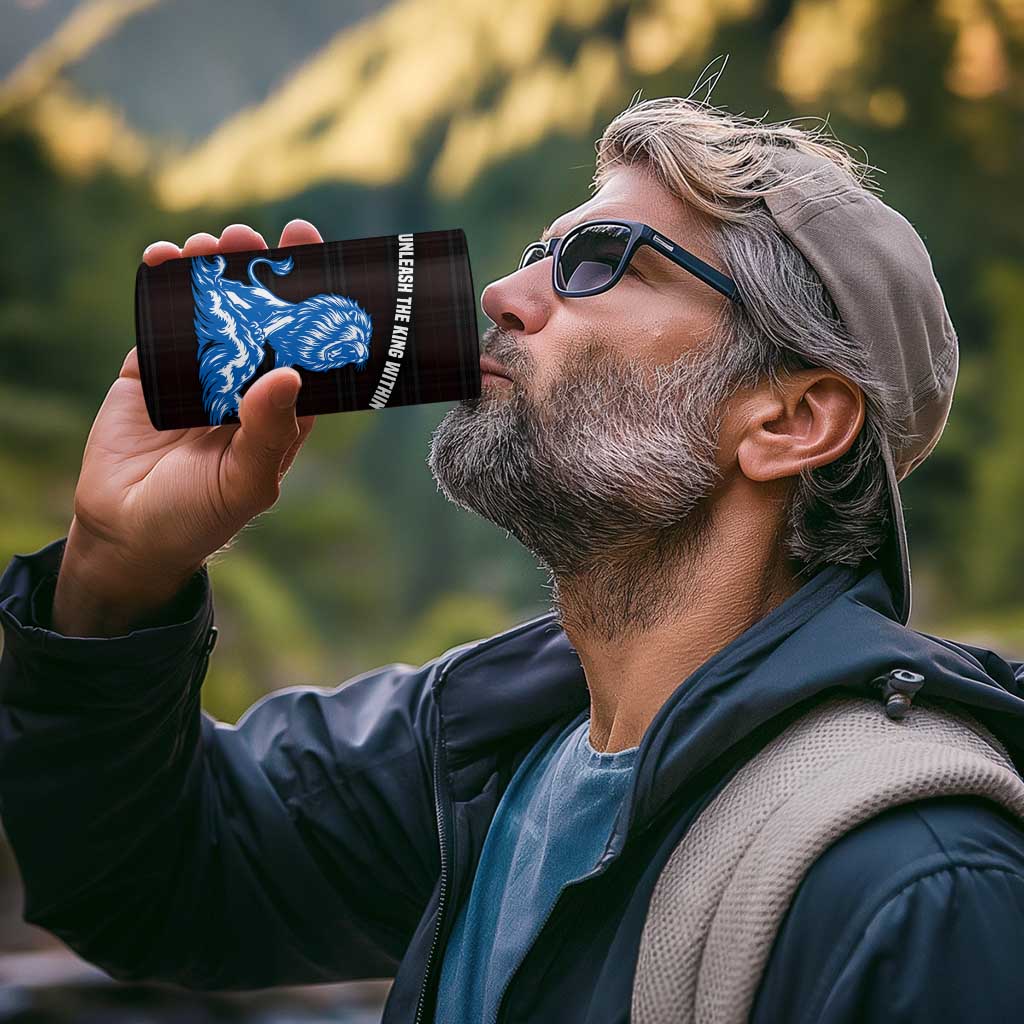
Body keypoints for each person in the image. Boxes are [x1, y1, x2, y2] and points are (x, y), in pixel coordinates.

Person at [2, 93, 1024, 1024]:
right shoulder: (482, 747)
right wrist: (115, 573)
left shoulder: (918, 886)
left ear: (790, 421)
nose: (502, 292)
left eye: (601, 261)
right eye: (541, 251)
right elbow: (150, 879)